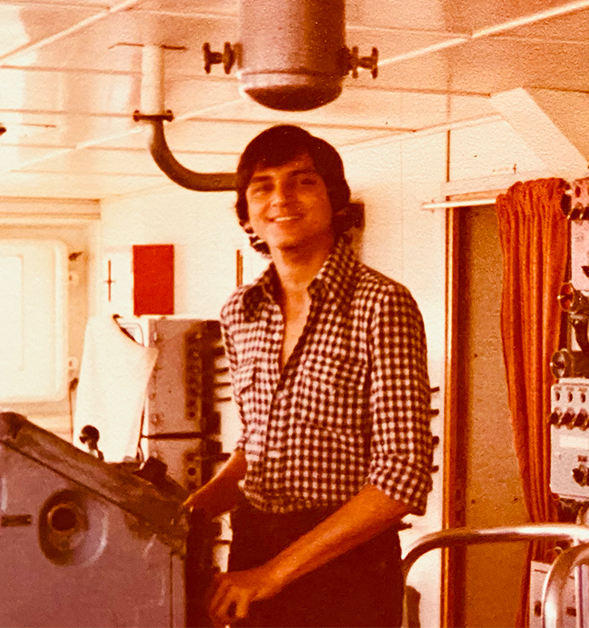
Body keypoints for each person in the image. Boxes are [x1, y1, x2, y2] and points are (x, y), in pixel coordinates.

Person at [184, 124, 434, 628]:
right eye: (263, 186)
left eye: (302, 181)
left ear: (334, 200)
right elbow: (254, 446)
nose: (282, 198)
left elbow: (403, 477)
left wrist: (275, 574)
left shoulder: (381, 305)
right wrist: (191, 511)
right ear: (247, 214)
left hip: (345, 566)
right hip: (254, 549)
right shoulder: (240, 311)